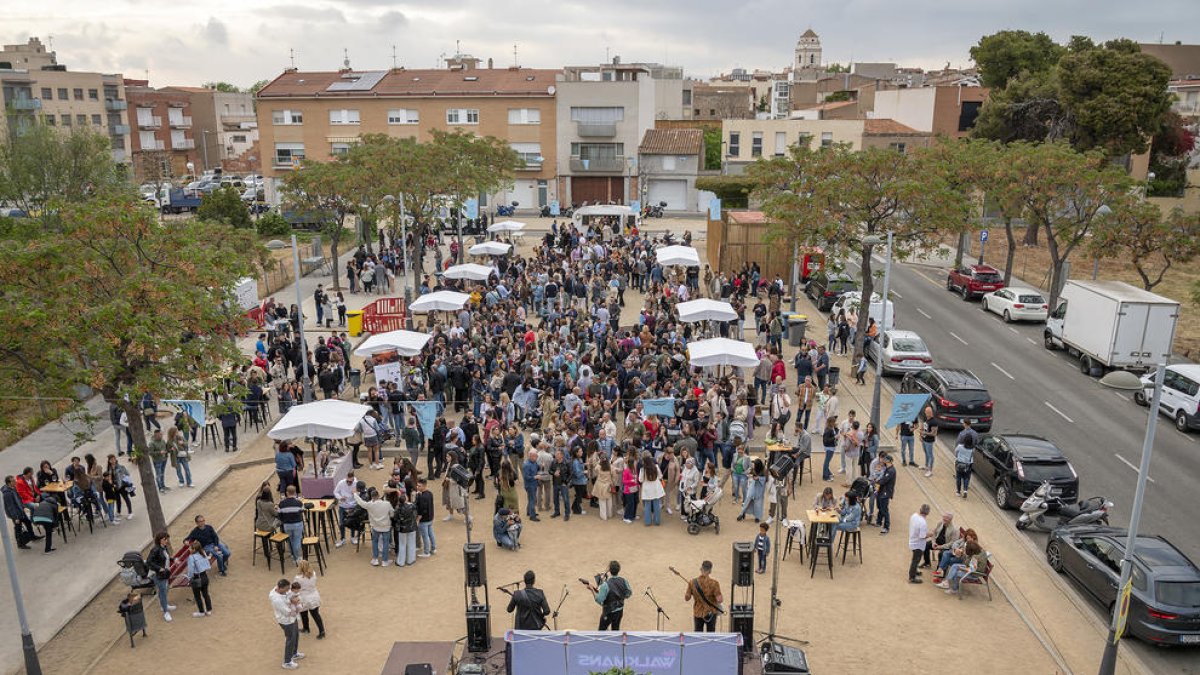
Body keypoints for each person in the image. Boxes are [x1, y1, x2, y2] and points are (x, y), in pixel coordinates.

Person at [356, 486, 395, 566]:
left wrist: (355, 494)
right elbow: (392, 514)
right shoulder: (387, 504)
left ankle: (375, 559)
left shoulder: (370, 505)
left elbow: (361, 503)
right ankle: (385, 561)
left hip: (375, 527)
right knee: (386, 543)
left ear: (372, 497)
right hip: (386, 527)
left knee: (375, 542)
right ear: (378, 495)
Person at [271, 578, 304, 669]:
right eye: (286, 589)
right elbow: (288, 612)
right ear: (280, 588)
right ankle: (287, 662)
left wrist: (293, 600)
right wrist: (296, 606)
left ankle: (294, 653)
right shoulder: (277, 600)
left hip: (292, 619)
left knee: (296, 635)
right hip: (286, 621)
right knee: (290, 639)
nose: (288, 591)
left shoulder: (280, 589)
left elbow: (290, 595)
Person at [684, 560, 724, 632]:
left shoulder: (692, 582)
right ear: (710, 571)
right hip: (711, 613)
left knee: (698, 636)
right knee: (711, 635)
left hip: (698, 612)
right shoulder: (714, 583)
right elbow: (719, 600)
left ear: (701, 569)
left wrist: (691, 589)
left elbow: (687, 598)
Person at [146, 531, 178, 622]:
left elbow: (166, 557)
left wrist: (173, 559)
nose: (167, 541)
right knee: (163, 591)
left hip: (165, 572)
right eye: (165, 539)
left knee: (165, 589)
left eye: (167, 539)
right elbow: (149, 562)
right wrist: (158, 568)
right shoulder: (155, 549)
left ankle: (164, 605)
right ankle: (165, 611)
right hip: (158, 574)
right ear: (160, 540)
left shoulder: (164, 548)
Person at [594, 560, 631, 630]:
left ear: (610, 571)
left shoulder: (605, 585)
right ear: (619, 570)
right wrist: (621, 597)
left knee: (601, 631)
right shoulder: (624, 580)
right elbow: (629, 593)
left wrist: (592, 589)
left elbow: (599, 600)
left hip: (608, 613)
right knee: (616, 630)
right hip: (619, 611)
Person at [2, 476, 36, 549]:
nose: (15, 482)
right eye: (13, 481)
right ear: (9, 483)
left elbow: (18, 499)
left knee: (28, 522)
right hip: (16, 514)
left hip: (20, 510)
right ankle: (20, 544)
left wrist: (23, 507)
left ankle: (32, 536)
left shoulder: (13, 488)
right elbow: (11, 507)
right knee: (18, 528)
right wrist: (16, 517)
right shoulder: (7, 494)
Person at [294, 559, 326, 638]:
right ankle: (322, 631)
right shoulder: (313, 574)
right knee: (315, 614)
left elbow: (295, 587)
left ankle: (306, 628)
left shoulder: (298, 578)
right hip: (314, 595)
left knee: (304, 614)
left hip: (303, 597)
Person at [278, 485, 306, 564]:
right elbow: (302, 511)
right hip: (297, 524)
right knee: (297, 540)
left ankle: (293, 555)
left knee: (290, 540)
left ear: (287, 493)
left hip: (287, 525)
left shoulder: (281, 504)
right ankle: (297, 557)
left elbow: (279, 515)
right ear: (295, 493)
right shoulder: (299, 503)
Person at [186, 539, 213, 617]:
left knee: (197, 596)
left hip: (197, 578)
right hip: (205, 577)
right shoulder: (203, 553)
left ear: (194, 549)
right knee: (206, 594)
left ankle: (201, 612)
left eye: (190, 548)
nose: (189, 549)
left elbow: (191, 570)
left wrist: (189, 578)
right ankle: (209, 610)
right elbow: (208, 565)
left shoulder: (191, 557)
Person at [392, 491, 418, 566]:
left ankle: (401, 562)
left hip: (402, 529)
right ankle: (411, 560)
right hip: (412, 527)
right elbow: (415, 509)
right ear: (406, 500)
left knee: (402, 545)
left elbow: (395, 518)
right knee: (411, 543)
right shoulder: (411, 506)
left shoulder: (398, 508)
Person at [907, 503, 931, 584]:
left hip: (912, 540)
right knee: (915, 560)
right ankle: (912, 577)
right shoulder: (923, 523)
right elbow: (922, 536)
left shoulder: (914, 516)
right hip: (918, 544)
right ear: (928, 513)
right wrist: (930, 534)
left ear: (920, 510)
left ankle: (914, 571)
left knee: (915, 559)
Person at [639, 453, 665, 526]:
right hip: (656, 488)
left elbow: (640, 480)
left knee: (647, 506)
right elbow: (660, 476)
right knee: (656, 505)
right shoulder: (656, 466)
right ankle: (657, 521)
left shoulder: (642, 469)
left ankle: (647, 522)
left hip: (647, 489)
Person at [333, 472, 357, 547]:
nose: (349, 483)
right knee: (341, 523)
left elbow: (359, 493)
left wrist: (355, 493)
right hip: (343, 506)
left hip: (352, 505)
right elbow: (335, 492)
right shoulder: (341, 483)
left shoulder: (356, 483)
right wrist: (340, 497)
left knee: (353, 522)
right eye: (348, 481)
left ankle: (353, 537)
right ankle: (342, 539)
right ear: (346, 478)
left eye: (351, 481)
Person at [414, 478, 436, 557]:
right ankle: (433, 548)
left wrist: (418, 519)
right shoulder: (430, 493)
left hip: (424, 520)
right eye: (417, 485)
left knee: (425, 536)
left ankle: (426, 552)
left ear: (424, 486)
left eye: (419, 486)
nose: (417, 487)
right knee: (431, 534)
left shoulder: (421, 496)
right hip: (430, 517)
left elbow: (421, 510)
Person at [875, 453, 896, 534]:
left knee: (884, 509)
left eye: (886, 460)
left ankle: (886, 527)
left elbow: (884, 480)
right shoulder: (887, 468)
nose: (884, 461)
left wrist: (876, 481)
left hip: (886, 492)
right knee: (880, 507)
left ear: (890, 461)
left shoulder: (891, 471)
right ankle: (879, 522)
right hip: (882, 491)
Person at [919, 407, 938, 476]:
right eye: (925, 412)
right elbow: (922, 426)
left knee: (930, 455)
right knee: (926, 453)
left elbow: (934, 433)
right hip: (924, 439)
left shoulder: (934, 422)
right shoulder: (926, 418)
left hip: (929, 441)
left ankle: (930, 470)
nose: (926, 414)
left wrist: (925, 433)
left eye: (927, 413)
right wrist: (920, 435)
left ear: (930, 413)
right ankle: (926, 466)